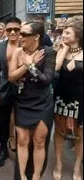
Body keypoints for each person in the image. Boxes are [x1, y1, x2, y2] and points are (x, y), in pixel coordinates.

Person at [8, 21, 56, 180]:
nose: (19, 37)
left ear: (36, 36)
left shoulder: (48, 52)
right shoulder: (18, 52)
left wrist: (32, 66)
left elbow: (46, 80)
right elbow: (11, 76)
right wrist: (29, 65)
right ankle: (22, 176)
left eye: (24, 34)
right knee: (22, 140)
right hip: (23, 101)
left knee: (39, 141)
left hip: (43, 102)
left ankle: (36, 176)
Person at [53, 15, 83, 180]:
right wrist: (63, 49)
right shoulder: (59, 49)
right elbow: (56, 68)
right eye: (63, 32)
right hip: (61, 97)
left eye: (67, 33)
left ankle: (77, 166)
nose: (63, 35)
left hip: (81, 99)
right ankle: (58, 162)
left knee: (80, 134)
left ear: (77, 36)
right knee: (59, 131)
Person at [0, 17, 21, 168]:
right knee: (2, 122)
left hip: (22, 90)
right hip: (3, 88)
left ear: (20, 29)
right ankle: (3, 149)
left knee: (23, 121)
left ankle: (22, 149)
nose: (12, 32)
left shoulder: (25, 44)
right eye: (9, 29)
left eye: (16, 29)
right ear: (5, 30)